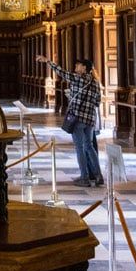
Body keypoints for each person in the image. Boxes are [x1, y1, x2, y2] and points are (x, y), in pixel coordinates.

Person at [37, 54, 104, 186]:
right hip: (90, 119)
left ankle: (84, 178)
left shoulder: (78, 78)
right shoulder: (96, 83)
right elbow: (97, 102)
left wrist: (47, 61)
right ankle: (98, 176)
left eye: (78, 65)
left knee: (79, 148)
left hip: (78, 119)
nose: (75, 67)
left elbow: (61, 72)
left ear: (84, 68)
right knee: (89, 146)